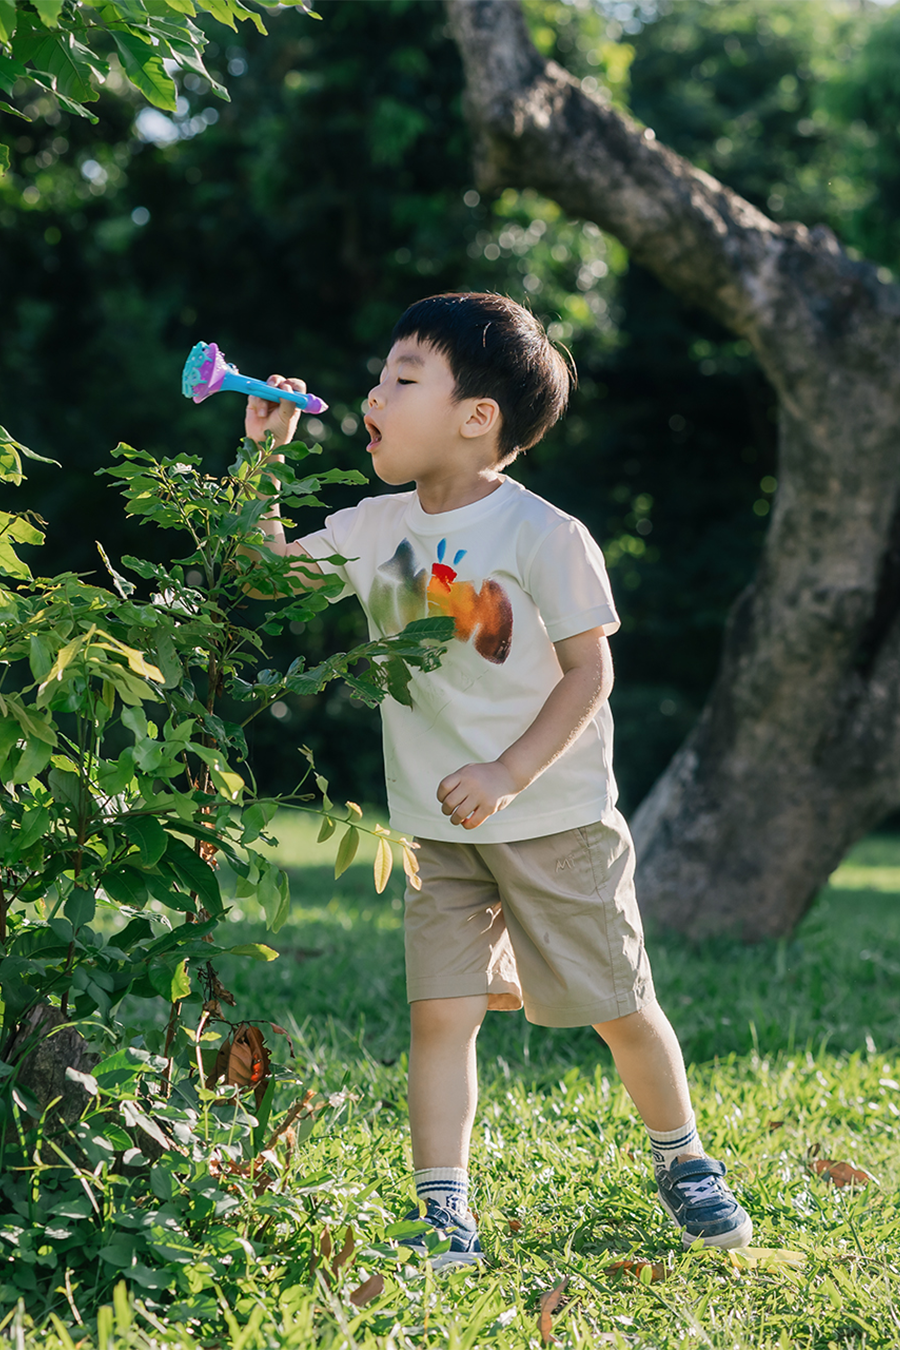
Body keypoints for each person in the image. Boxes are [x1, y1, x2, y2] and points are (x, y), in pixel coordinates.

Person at [244, 292, 753, 1265]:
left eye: (402, 379)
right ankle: (446, 1210)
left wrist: (510, 772)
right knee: (441, 1012)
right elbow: (260, 576)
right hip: (436, 829)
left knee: (618, 1006)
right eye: (378, 377)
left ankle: (682, 1154)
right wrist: (261, 459)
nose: (371, 396)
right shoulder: (371, 526)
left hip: (552, 817)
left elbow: (590, 673)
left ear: (478, 418)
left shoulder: (542, 536)